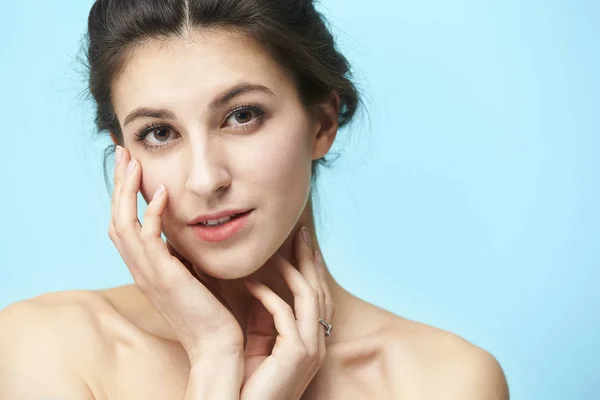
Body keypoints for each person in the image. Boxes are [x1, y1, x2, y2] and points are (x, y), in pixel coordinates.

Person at [0, 0, 509, 399]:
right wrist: (215, 359)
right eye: (158, 132)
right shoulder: (46, 349)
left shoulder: (442, 383)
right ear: (124, 156)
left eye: (241, 115)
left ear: (323, 124)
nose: (205, 179)